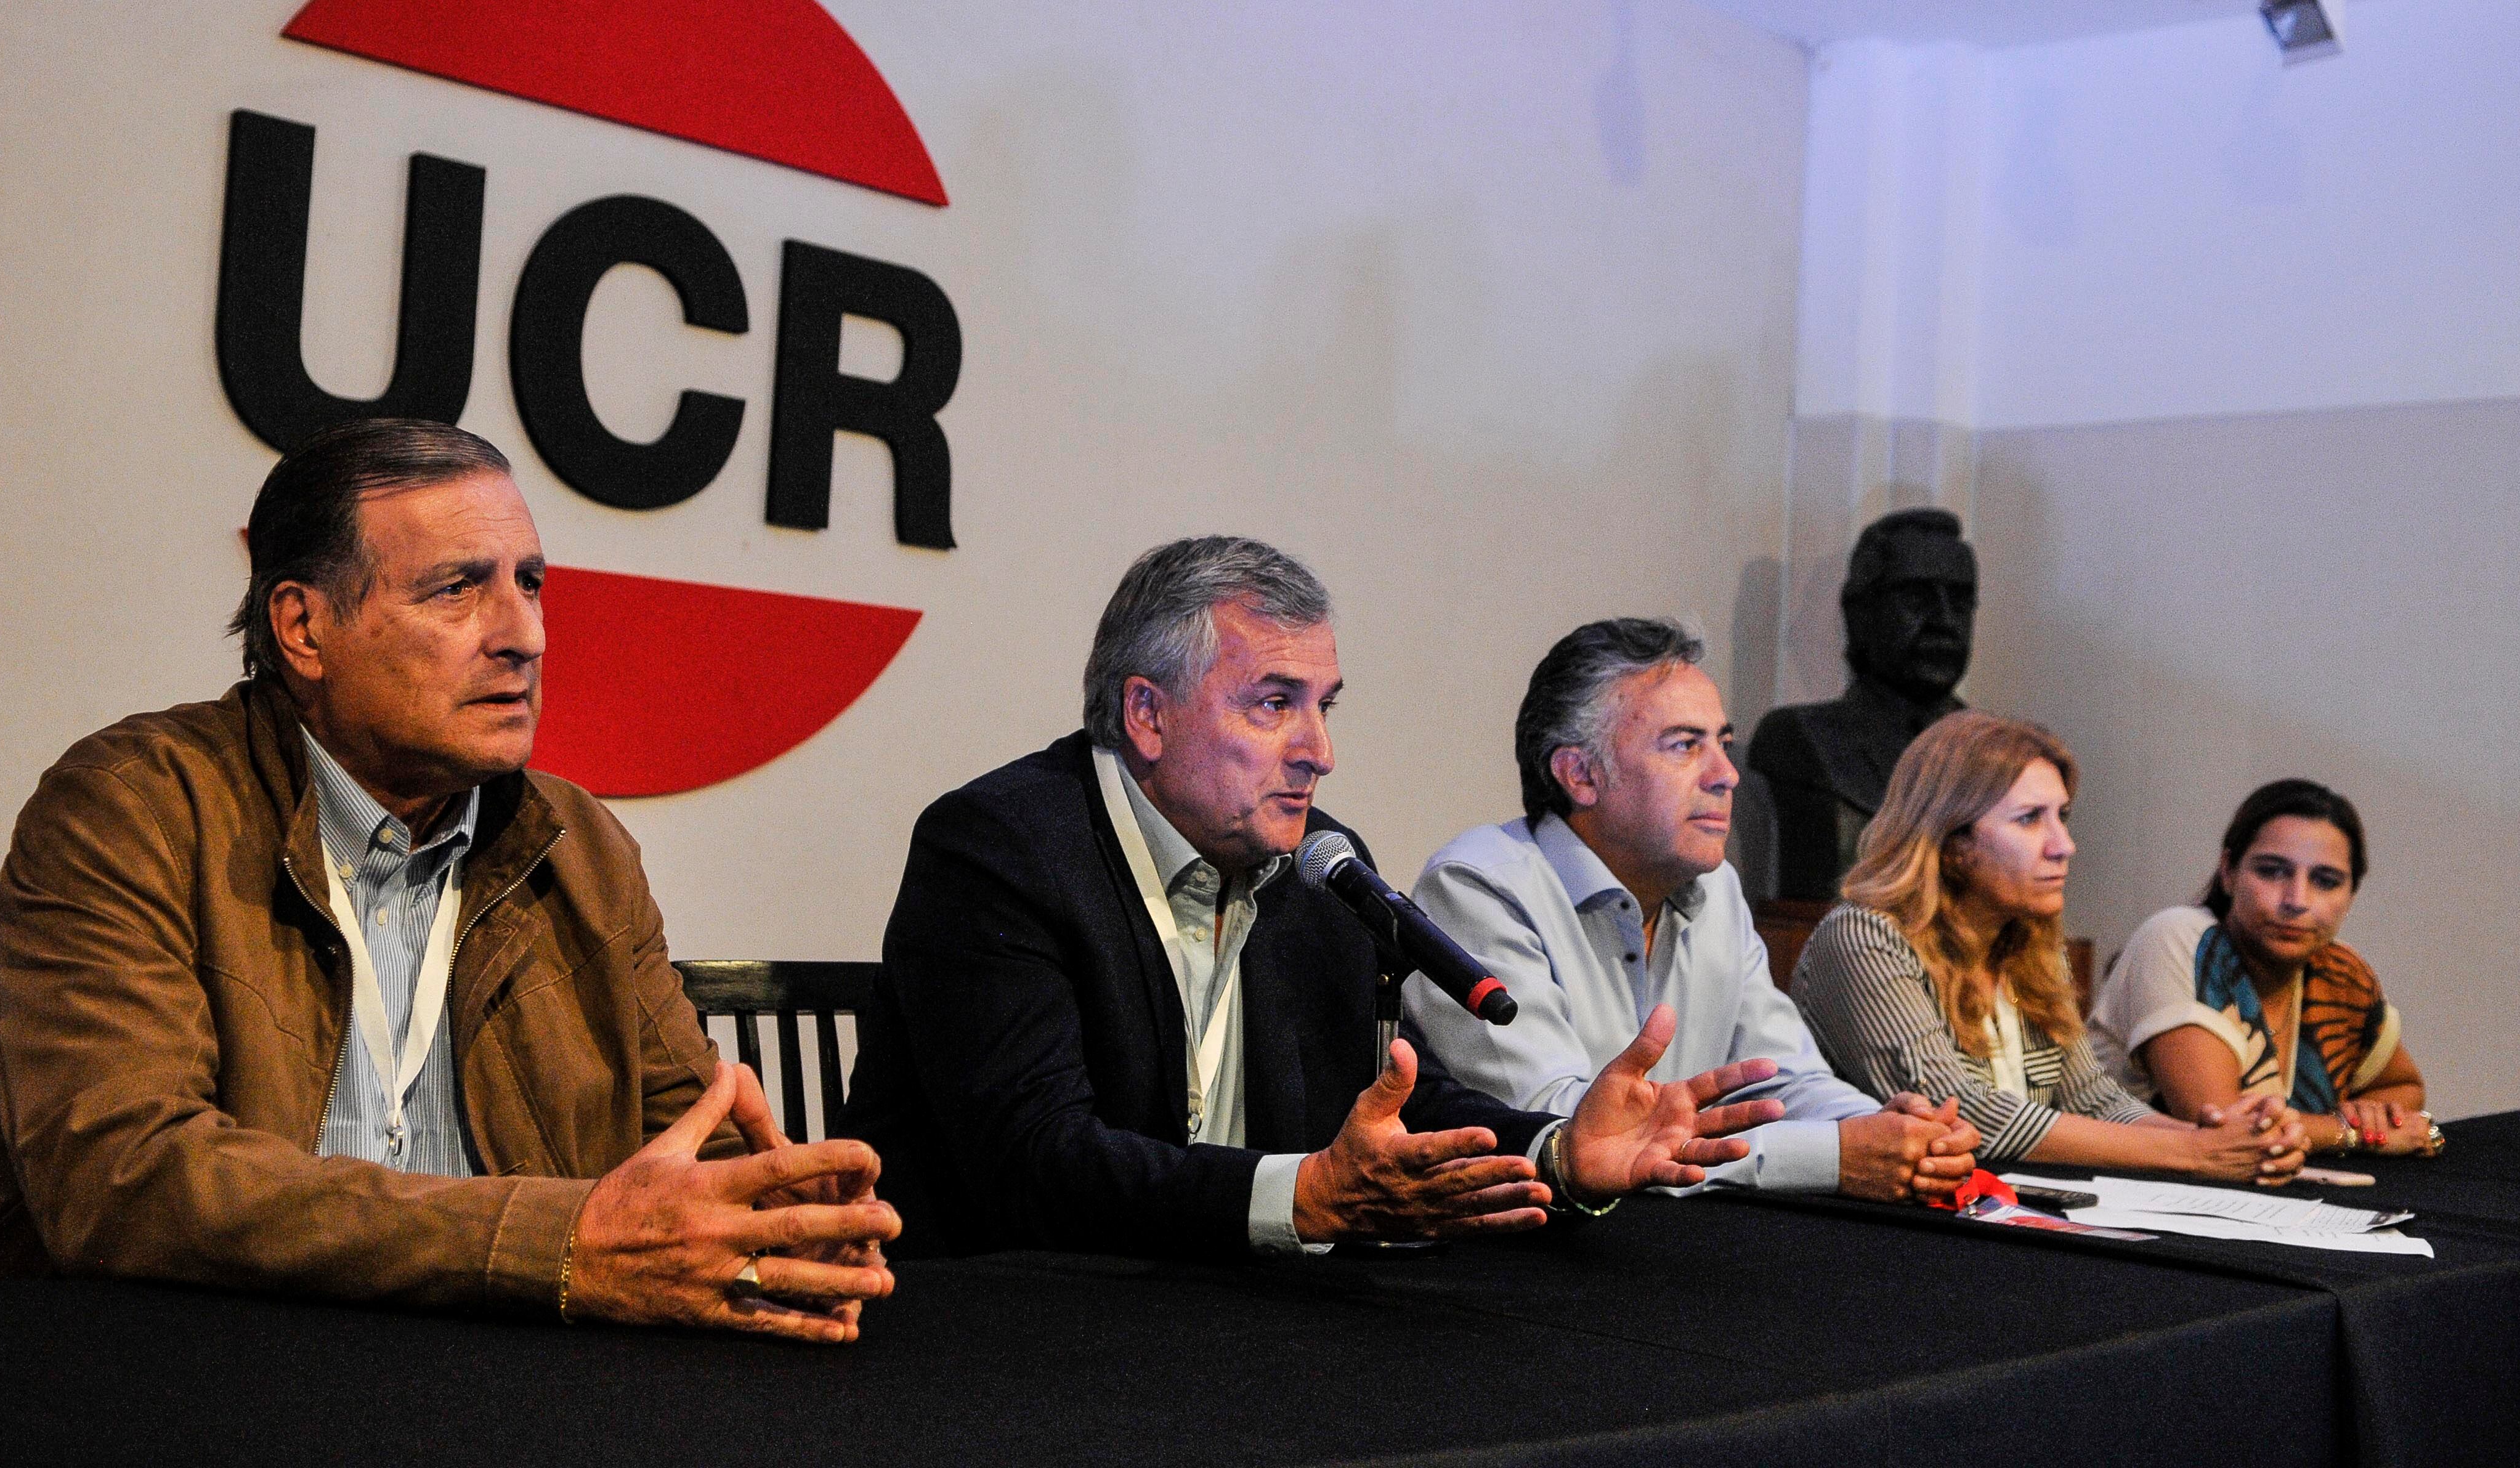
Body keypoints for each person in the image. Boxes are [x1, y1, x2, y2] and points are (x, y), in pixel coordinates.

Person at [0, 419, 897, 1339]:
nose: (524, 634)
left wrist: (775, 1221)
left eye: (530, 584)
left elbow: (683, 1151)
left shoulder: (581, 847)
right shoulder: (134, 807)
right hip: (172, 1369)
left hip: (491, 1380)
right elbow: (124, 1180)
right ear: (304, 627)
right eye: (457, 590)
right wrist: (553, 1244)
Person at [839, 537, 1785, 1259]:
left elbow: (1394, 1101)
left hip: (1228, 1320)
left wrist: (1558, 1154)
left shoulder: (1320, 865)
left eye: (1324, 707)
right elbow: (1033, 1164)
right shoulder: (1000, 850)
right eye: (1273, 704)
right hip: (1005, 1327)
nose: (1319, 752)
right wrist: (1300, 1198)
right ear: (1147, 715)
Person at [1408, 618, 1982, 1203]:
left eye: (1723, 745)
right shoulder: (1478, 888)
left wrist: (1895, 1133)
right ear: (1581, 775)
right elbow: (1560, 1135)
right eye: (1686, 745)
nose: (1727, 776)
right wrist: (1834, 1154)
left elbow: (1784, 1077)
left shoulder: (1717, 889)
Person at [1792, 712, 2307, 1182]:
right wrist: (2193, 1153)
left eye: (2063, 816)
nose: (2064, 845)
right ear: (1952, 842)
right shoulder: (1865, 936)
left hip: (2004, 1208)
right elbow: (1962, 1112)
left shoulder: (2027, 941)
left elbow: (2092, 1099)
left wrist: (2223, 1140)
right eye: (2030, 819)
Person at [2089, 779, 2435, 1158]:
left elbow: (2405, 1091)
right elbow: (2227, 1128)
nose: (2297, 900)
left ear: (2351, 895)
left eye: (2326, 881)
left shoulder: (2340, 973)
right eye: (2272, 872)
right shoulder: (2179, 939)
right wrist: (2351, 1134)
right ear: (2228, 872)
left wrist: (2370, 1116)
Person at [1748, 508, 1979, 900]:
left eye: (1959, 602)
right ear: (1860, 614)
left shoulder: (1999, 756)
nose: (1944, 620)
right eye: (1916, 598)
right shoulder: (1798, 741)